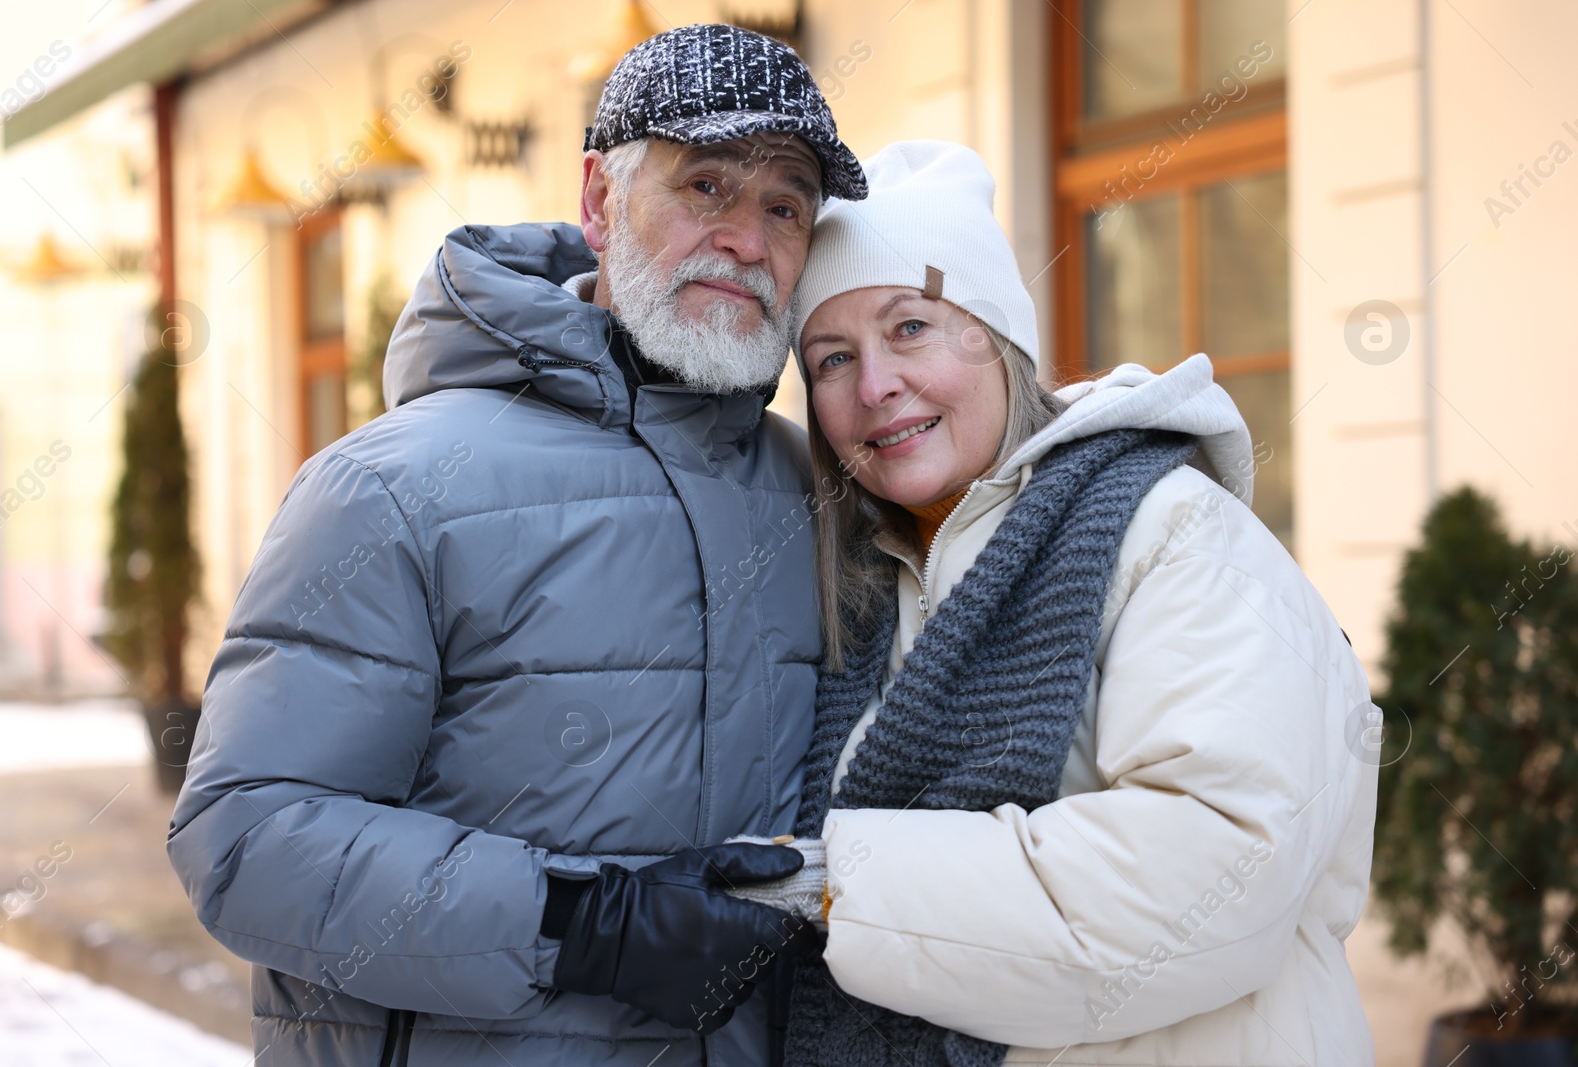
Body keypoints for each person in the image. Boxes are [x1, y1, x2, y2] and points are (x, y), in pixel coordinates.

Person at [166, 25, 867, 1066]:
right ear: (597, 201)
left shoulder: (816, 487)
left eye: (784, 205)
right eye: (705, 187)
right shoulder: (388, 489)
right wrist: (584, 922)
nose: (747, 241)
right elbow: (245, 839)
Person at [777, 141, 1379, 1065]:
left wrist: (832, 887)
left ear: (998, 337)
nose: (874, 386)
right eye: (829, 358)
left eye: (910, 328)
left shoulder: (1171, 533)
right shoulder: (868, 587)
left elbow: (1214, 872)